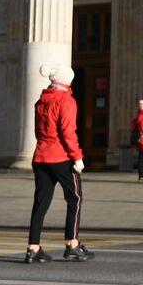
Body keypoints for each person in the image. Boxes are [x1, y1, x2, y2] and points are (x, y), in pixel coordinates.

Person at [25, 65, 91, 263]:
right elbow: (68, 132)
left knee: (40, 203)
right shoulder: (66, 100)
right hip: (61, 158)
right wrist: (77, 157)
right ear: (66, 81)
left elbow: (38, 131)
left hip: (40, 157)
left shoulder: (41, 101)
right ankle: (72, 244)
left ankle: (33, 248)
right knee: (75, 199)